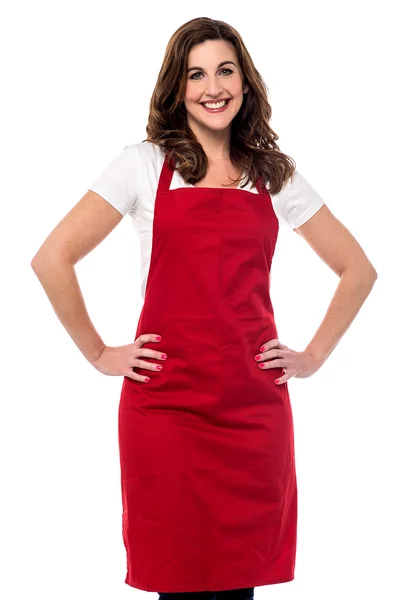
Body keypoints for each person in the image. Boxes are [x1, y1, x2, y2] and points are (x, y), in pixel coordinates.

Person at [31, 16, 378, 600]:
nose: (212, 86)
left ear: (245, 81)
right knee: (177, 579)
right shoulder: (142, 164)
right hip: (165, 408)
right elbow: (52, 257)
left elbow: (358, 270)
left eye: (225, 70)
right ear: (178, 87)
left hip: (252, 410)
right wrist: (98, 352)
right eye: (196, 74)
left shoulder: (273, 175)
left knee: (240, 585)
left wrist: (313, 356)